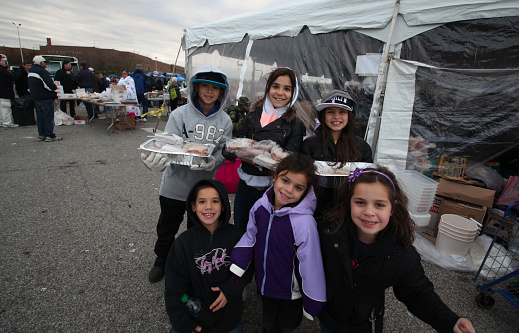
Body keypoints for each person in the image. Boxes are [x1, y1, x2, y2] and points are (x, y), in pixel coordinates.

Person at [318, 167, 476, 333]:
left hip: (364, 323)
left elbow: (417, 293)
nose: (369, 212)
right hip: (330, 317)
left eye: (379, 205)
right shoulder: (329, 233)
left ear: (392, 208)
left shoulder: (401, 254)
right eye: (360, 202)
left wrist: (450, 321)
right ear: (349, 202)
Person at [141, 65, 232, 283]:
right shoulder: (178, 114)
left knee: (198, 229)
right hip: (174, 186)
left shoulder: (225, 121)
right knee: (166, 227)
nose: (209, 92)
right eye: (205, 87)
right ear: (196, 88)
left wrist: (212, 163)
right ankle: (161, 260)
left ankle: (193, 263)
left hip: (204, 188)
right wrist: (156, 163)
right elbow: (166, 146)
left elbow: (223, 152)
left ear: (222, 92)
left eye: (215, 88)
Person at [230, 153, 326, 332]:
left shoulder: (304, 223)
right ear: (275, 176)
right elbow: (250, 236)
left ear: (306, 191)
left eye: (298, 187)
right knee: (268, 320)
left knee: (286, 326)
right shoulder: (260, 206)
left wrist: (313, 298)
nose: (289, 190)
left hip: (291, 293)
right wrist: (238, 262)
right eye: (285, 181)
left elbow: (311, 263)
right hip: (265, 284)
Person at [165, 179, 252, 333]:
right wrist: (182, 323)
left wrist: (231, 288)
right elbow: (173, 287)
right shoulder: (183, 243)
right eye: (202, 201)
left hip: (228, 320)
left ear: (224, 205)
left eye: (215, 201)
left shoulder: (238, 237)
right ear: (193, 206)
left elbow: (249, 267)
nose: (208, 207)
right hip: (195, 318)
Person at [225, 67, 306, 232]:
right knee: (241, 229)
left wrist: (258, 156)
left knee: (265, 233)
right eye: (275, 86)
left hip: (273, 189)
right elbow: (241, 141)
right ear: (268, 88)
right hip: (246, 185)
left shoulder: (295, 124)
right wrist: (230, 149)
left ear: (294, 92)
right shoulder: (253, 114)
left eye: (287, 89)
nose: (280, 93)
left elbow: (290, 160)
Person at [302, 89, 373, 217]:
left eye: (342, 112)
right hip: (315, 209)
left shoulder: (362, 146)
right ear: (323, 116)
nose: (336, 117)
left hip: (349, 210)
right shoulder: (310, 144)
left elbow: (369, 178)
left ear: (350, 116)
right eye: (330, 112)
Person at [28, 55, 61, 141]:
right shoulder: (42, 71)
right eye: (45, 63)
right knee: (48, 117)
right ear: (41, 63)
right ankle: (49, 135)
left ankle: (41, 134)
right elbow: (49, 85)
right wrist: (54, 88)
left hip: (36, 97)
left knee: (40, 117)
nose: (46, 64)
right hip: (45, 97)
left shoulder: (31, 71)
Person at [0, 54, 19, 128]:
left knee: (1, 108)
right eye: (2, 60)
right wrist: (17, 72)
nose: (4, 62)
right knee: (6, 108)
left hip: (1, 92)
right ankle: (7, 122)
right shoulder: (2, 71)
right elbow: (12, 77)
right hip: (4, 92)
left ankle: (2, 121)